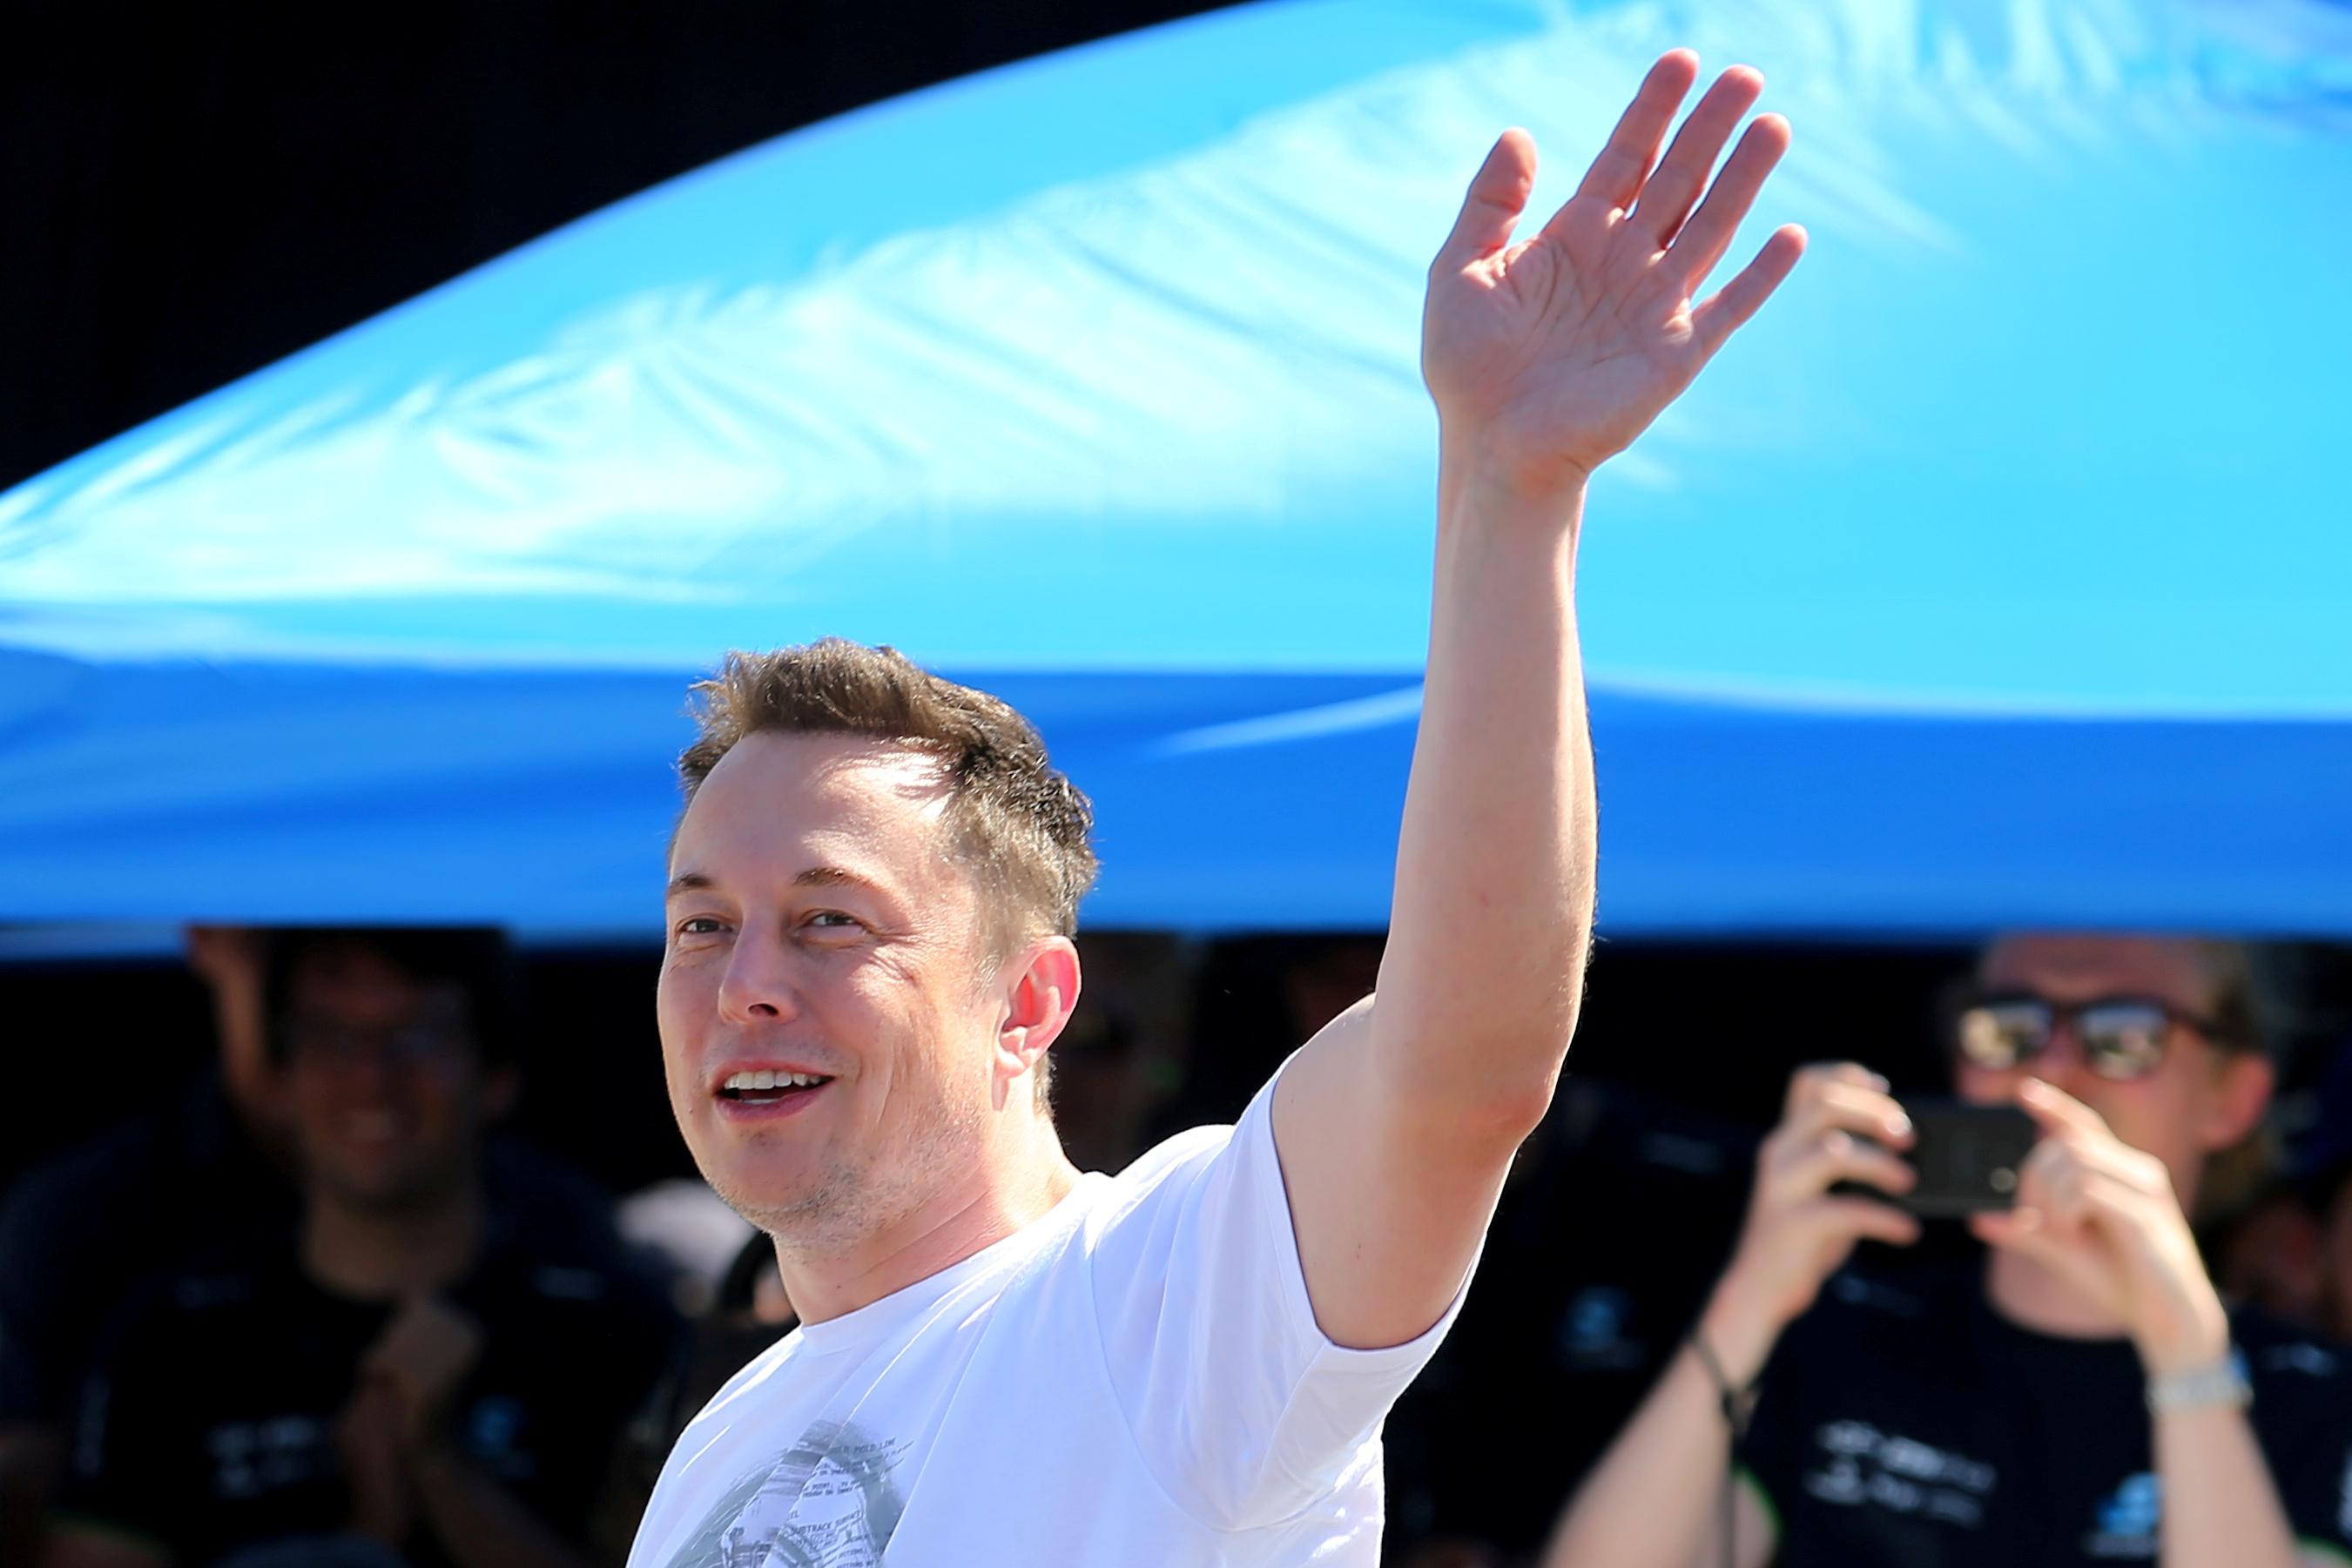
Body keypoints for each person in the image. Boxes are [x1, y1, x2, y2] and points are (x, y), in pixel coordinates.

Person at [626, 48, 1808, 1568]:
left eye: (829, 922)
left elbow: (1464, 1062)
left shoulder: (1163, 1299)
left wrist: (1516, 493)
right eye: (700, 926)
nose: (748, 984)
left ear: (1029, 1000)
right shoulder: (726, 1442)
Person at [1544, 933, 2352, 1568]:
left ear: (2231, 1095)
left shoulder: (2310, 1395)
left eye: (2124, 1033)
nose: (2053, 1068)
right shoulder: (1847, 1334)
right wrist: (1746, 1302)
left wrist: (2186, 1355)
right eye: (2009, 1027)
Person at [43, 927, 679, 1568]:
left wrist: (440, 1467)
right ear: (279, 1079)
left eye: (419, 1035)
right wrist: (364, 1533)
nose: (372, 1076)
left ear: (496, 1077)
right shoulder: (165, 1343)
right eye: (332, 1037)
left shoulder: (617, 1336)